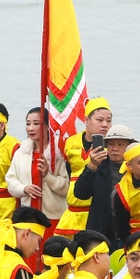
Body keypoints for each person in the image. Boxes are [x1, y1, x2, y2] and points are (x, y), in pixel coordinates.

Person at [70, 123, 132, 247]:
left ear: (129, 146)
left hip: (130, 233)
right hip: (101, 234)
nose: (115, 148)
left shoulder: (135, 167)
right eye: (111, 144)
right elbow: (80, 194)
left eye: (120, 144)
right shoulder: (98, 166)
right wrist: (91, 167)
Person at [57, 98, 113, 236]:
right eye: (100, 120)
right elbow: (67, 171)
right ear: (86, 120)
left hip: (99, 211)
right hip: (74, 210)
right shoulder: (70, 143)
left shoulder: (113, 146)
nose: (105, 125)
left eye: (109, 120)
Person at [6, 107, 70, 223]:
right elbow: (11, 181)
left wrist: (47, 176)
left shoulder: (58, 152)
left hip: (54, 216)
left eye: (36, 124)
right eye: (28, 124)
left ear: (47, 126)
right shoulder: (21, 152)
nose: (31, 128)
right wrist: (24, 188)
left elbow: (66, 187)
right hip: (28, 215)